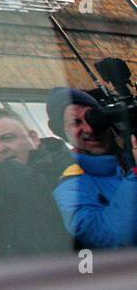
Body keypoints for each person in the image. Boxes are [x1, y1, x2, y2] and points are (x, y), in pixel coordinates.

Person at [0, 108, 74, 259]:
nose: (0, 149)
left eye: (7, 138)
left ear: (34, 138)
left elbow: (45, 200)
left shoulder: (65, 164)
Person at [47, 87, 137, 249]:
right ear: (62, 132)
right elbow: (113, 239)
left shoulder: (128, 158)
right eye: (76, 122)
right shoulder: (70, 189)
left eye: (94, 118)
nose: (90, 129)